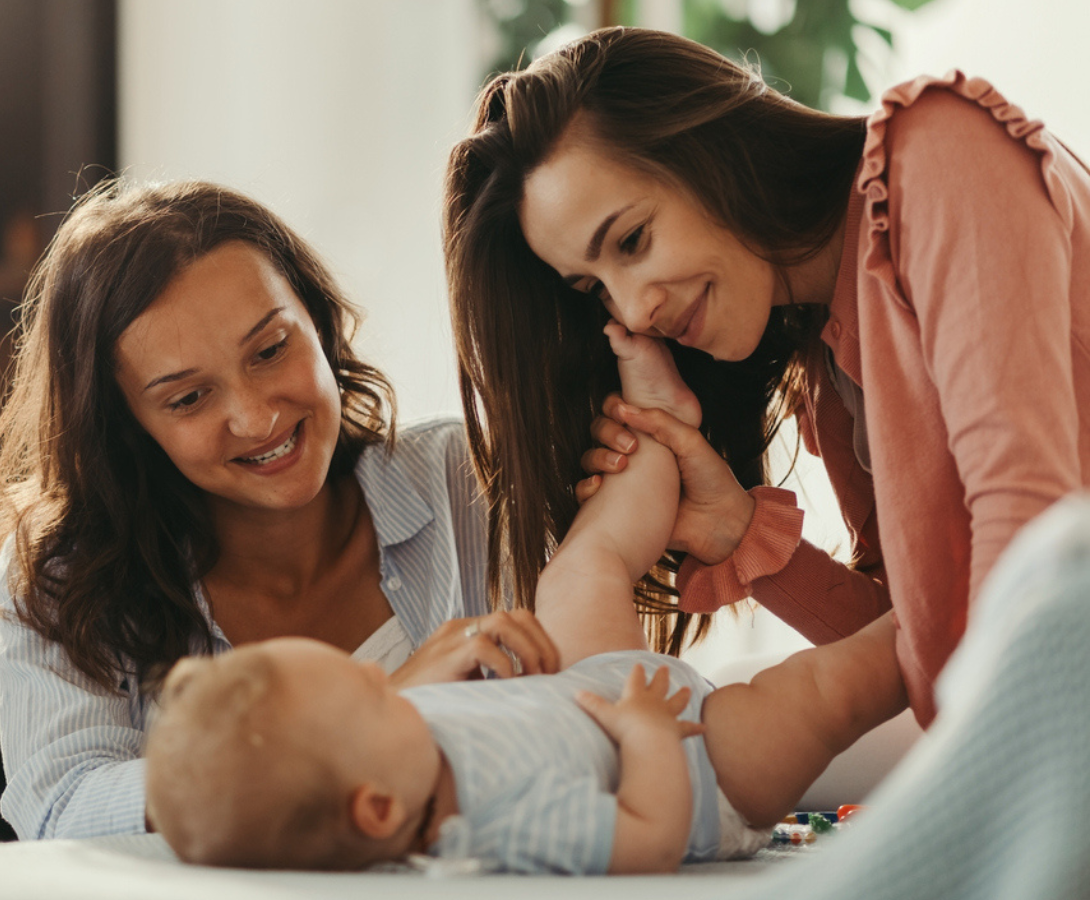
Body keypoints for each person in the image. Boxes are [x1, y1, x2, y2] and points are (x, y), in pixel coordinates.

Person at [443, 26, 1090, 726]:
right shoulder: (828, 364)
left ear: (713, 150)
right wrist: (737, 530)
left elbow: (1031, 534)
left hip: (1048, 719)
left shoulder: (939, 153)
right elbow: (922, 651)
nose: (633, 310)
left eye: (632, 240)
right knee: (727, 730)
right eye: (593, 290)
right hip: (1047, 721)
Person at [145, 326, 907, 873]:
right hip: (697, 761)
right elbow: (647, 840)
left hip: (587, 687)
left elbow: (451, 710)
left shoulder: (389, 750)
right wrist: (645, 737)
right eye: (376, 700)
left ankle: (659, 426)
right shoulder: (495, 825)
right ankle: (946, 620)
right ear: (378, 809)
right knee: (823, 691)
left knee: (582, 571)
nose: (395, 688)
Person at [0, 179, 559, 840]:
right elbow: (62, 811)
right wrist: (382, 710)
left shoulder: (466, 479)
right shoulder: (64, 575)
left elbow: (595, 715)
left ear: (318, 322)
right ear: (128, 425)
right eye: (187, 398)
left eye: (271, 351)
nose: (257, 417)